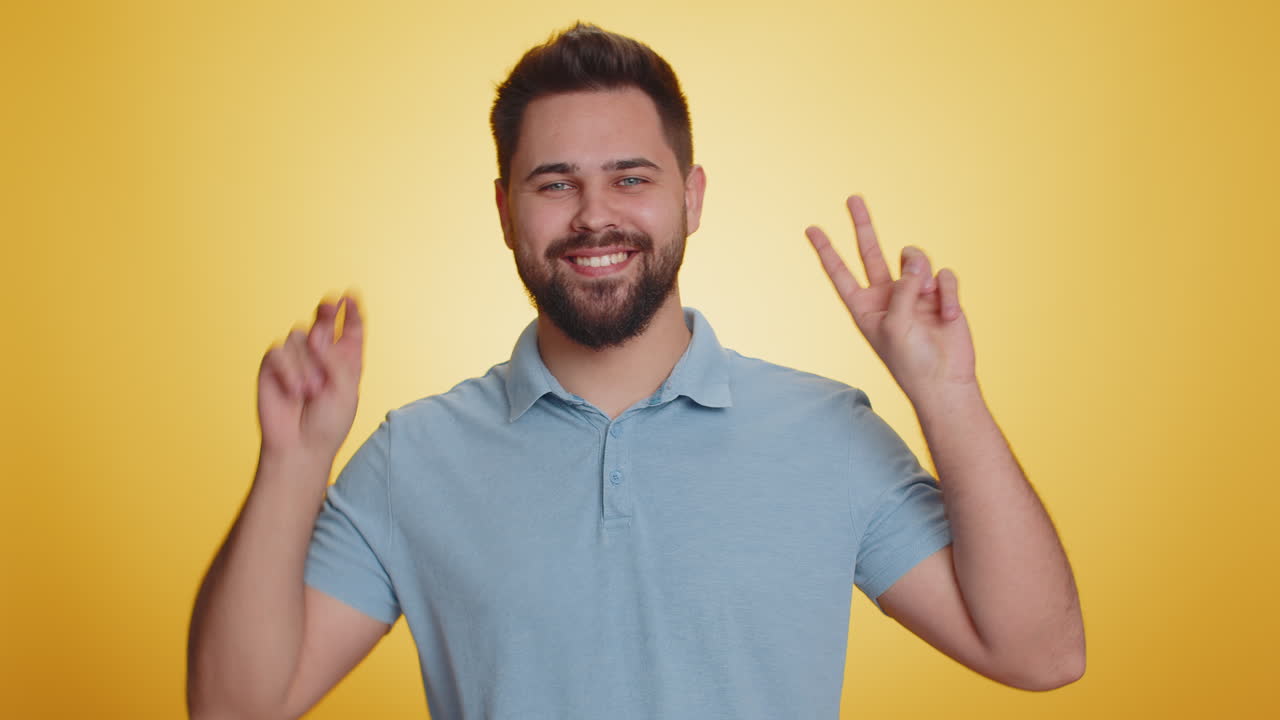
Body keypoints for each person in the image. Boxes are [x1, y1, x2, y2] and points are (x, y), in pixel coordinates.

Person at [187, 22, 1084, 720]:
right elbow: (233, 707)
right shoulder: (413, 456)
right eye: (554, 183)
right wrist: (292, 464)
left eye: (630, 179)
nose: (593, 216)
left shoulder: (828, 434)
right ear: (504, 211)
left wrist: (948, 397)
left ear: (691, 197)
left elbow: (1042, 655)